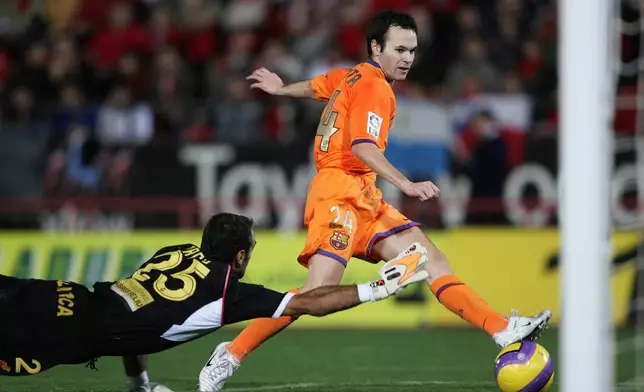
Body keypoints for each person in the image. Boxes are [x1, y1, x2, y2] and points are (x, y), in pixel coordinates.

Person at [198, 10, 552, 392]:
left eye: (412, 51)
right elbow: (363, 146)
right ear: (375, 47)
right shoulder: (375, 88)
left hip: (362, 193)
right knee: (315, 295)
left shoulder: (351, 75)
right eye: (399, 49)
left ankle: (502, 329)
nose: (407, 58)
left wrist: (282, 88)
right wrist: (407, 184)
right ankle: (231, 352)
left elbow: (318, 85)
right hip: (338, 192)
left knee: (431, 259)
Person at [0, 213, 428, 392]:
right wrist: (379, 288)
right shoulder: (230, 294)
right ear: (240, 256)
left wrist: (139, 386)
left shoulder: (176, 250)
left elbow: (135, 323)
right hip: (63, 332)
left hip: (62, 294)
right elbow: (310, 303)